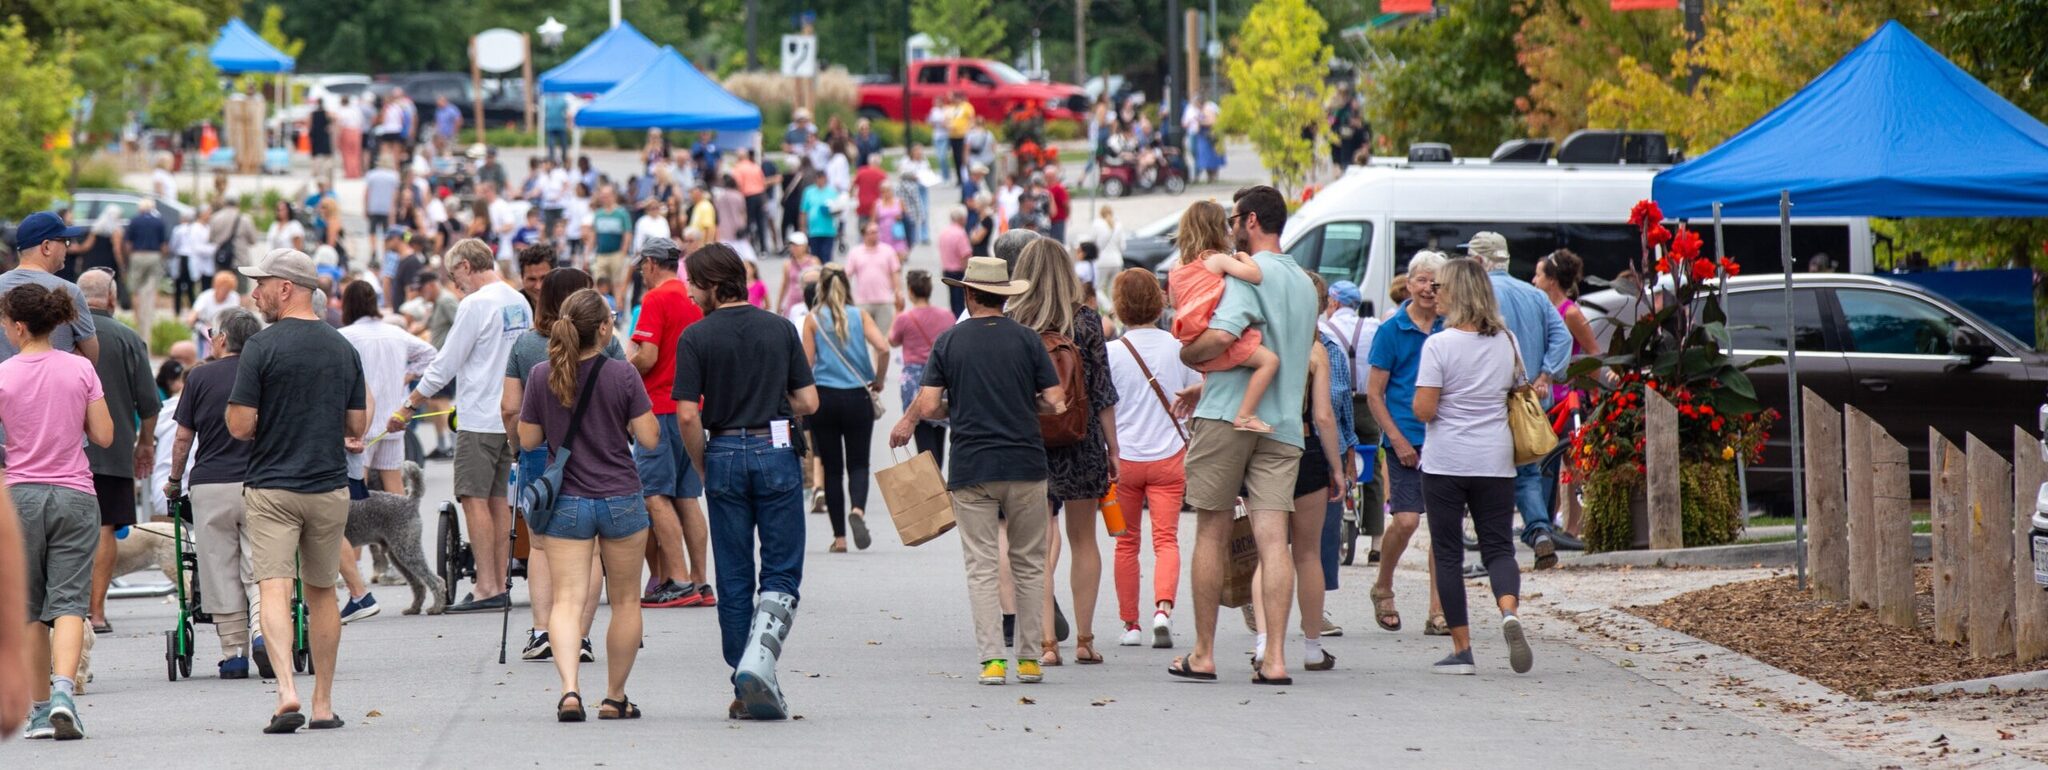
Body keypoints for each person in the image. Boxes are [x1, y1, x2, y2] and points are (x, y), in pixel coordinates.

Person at [1167, 185, 1317, 685]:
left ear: (1250, 221)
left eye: (1234, 218)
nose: (1230, 226)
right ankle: (1274, 657)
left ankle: (1204, 652)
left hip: (1230, 415)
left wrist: (1188, 355)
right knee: (1275, 542)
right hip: (1284, 424)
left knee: (1210, 529)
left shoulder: (1246, 272)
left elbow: (1223, 337)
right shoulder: (1302, 283)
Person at [889, 255, 1060, 685]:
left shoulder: (950, 341)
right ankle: (1029, 659)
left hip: (972, 466)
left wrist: (957, 406)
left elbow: (928, 406)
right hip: (1026, 463)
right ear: (1003, 296)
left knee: (982, 565)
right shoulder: (1026, 340)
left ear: (967, 293)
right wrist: (1029, 404)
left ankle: (992, 662)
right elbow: (1055, 399)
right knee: (1029, 562)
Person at [672, 243, 820, 720]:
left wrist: (702, 463)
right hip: (775, 448)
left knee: (734, 576)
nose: (691, 293)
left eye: (694, 283)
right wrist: (773, 402)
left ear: (714, 284)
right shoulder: (779, 328)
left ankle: (743, 676)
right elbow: (809, 401)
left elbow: (688, 415)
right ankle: (761, 666)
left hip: (724, 452)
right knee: (781, 570)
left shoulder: (696, 337)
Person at [228, 249, 369, 732]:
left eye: (261, 283)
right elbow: (356, 423)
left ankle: (286, 690)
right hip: (328, 485)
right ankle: (324, 702)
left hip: (272, 486)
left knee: (273, 586)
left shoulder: (260, 348)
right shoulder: (342, 348)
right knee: (323, 592)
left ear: (286, 288)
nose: (255, 293)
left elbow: (240, 424)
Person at [516, 287, 659, 720]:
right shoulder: (622, 374)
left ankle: (569, 690)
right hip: (620, 498)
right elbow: (650, 438)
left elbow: (528, 440)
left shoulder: (542, 374)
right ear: (602, 328)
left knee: (566, 601)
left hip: (567, 503)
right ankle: (615, 696)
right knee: (625, 601)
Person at [388, 239, 533, 614]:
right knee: (500, 499)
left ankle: (486, 585)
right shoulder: (517, 301)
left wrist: (409, 404)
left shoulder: (476, 304)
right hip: (511, 412)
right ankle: (499, 579)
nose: (457, 286)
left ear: (467, 266)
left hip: (481, 414)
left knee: (473, 498)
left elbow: (445, 363)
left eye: (456, 277)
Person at [1, 282, 115, 741]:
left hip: (21, 497)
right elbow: (104, 435)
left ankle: (40, 709)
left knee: (28, 608)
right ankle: (66, 693)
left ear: (21, 326)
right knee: (69, 602)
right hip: (75, 493)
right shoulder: (80, 369)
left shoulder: (4, 375)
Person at [1414, 257, 1533, 676]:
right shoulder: (1507, 341)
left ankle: (1462, 649)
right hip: (1494, 459)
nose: (1434, 293)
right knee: (1499, 546)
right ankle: (1508, 612)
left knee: (1448, 553)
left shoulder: (1439, 345)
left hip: (1447, 460)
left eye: (1441, 287)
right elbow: (1518, 390)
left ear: (1459, 293)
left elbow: (1425, 410)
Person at [1007, 239, 1118, 667]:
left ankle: (1047, 643)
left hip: (1030, 439)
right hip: (1081, 438)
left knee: (1038, 541)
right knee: (1083, 538)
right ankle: (1085, 640)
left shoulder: (1016, 324)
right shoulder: (1088, 322)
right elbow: (1103, 391)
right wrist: (1113, 448)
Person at [502, 269, 624, 661]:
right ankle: (581, 636)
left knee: (539, 545)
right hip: (599, 454)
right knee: (589, 550)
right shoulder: (609, 345)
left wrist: (516, 447)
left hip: (541, 454)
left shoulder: (526, 346)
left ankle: (542, 631)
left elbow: (509, 407)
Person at [1245, 272, 1353, 668]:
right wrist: (1337, 466)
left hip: (1265, 445)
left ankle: (1263, 642)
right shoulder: (1315, 351)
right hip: (1305, 447)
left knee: (1267, 551)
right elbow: (1324, 416)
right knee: (1307, 553)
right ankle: (1310, 647)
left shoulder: (1259, 343)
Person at [166, 306, 264, 679]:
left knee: (218, 569)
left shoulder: (199, 377)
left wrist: (174, 480)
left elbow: (182, 438)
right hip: (260, 482)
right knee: (260, 565)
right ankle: (261, 631)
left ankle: (234, 652)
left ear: (221, 339)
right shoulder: (265, 372)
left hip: (210, 485)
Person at [1467, 232, 1576, 560]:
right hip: (1530, 401)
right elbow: (1563, 338)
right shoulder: (1535, 295)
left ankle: (1493, 540)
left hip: (1489, 400)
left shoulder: (1479, 297)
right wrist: (1545, 374)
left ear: (1478, 262)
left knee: (1487, 472)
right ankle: (1540, 529)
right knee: (1528, 472)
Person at [1104, 267, 1198, 648]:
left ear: (1119, 306)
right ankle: (1163, 609)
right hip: (1170, 456)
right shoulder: (1179, 348)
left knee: (1126, 543)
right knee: (1167, 540)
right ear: (1160, 302)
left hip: (1122, 458)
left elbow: (1103, 405)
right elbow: (1196, 393)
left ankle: (1131, 625)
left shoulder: (1110, 353)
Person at [1365, 251, 1450, 633]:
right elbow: (1374, 394)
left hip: (1446, 438)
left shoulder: (1451, 327)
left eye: (1436, 282)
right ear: (1409, 283)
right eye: (1422, 281)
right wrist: (1396, 439)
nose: (1429, 289)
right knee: (1406, 520)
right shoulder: (1391, 330)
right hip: (1406, 439)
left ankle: (1438, 611)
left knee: (1443, 528)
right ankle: (1383, 584)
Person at [627, 239, 714, 607]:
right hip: (690, 407)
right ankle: (700, 580)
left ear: (650, 264)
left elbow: (647, 356)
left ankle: (677, 580)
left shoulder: (655, 299)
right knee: (687, 495)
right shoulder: (693, 298)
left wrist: (621, 370)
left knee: (653, 493)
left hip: (659, 407)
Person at [75, 271, 160, 635]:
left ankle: (65, 613)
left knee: (67, 530)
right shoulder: (128, 338)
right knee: (106, 526)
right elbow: (150, 402)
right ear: (111, 300)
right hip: (114, 450)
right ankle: (96, 612)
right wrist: (145, 443)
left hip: (64, 451)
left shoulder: (63, 335)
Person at [1168, 201, 1281, 434]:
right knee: (1270, 361)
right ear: (1216, 230)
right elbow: (1255, 275)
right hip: (1213, 330)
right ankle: (1246, 414)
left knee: (1214, 371)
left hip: (1190, 336)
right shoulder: (1215, 259)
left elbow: (1173, 301)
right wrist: (1242, 256)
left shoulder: (1176, 267)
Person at [801, 265, 891, 553]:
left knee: (832, 469)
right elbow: (884, 348)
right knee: (859, 463)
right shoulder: (859, 315)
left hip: (824, 399)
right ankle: (858, 511)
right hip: (857, 398)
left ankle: (839, 539)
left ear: (821, 290)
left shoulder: (813, 320)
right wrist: (877, 380)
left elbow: (806, 366)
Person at [1533, 249, 1603, 539]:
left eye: (1538, 274)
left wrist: (1589, 389)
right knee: (1547, 461)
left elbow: (1593, 351)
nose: (1533, 280)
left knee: (1573, 463)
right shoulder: (1542, 308)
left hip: (1569, 397)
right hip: (1547, 396)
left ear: (1551, 280)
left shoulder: (1570, 312)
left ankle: (1575, 526)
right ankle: (1548, 520)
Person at [1, 212, 100, 365]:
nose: (68, 247)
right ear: (46, 246)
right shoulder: (68, 292)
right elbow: (91, 357)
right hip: (54, 386)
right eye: (65, 241)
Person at [888, 270, 952, 465]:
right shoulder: (947, 316)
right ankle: (937, 476)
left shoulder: (905, 318)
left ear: (910, 291)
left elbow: (892, 340)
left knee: (923, 440)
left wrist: (898, 311)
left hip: (915, 380)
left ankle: (933, 486)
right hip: (941, 380)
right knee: (939, 435)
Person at [845, 221, 902, 334]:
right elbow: (847, 275)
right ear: (864, 235)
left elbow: (895, 272)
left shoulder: (888, 251)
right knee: (861, 334)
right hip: (862, 301)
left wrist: (898, 292)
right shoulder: (855, 252)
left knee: (883, 336)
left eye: (876, 232)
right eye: (871, 232)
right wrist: (846, 296)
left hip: (884, 300)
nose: (874, 235)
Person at [122, 199, 169, 334]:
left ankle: (138, 318)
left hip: (138, 254)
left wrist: (129, 258)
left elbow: (128, 243)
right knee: (151, 288)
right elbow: (164, 245)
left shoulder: (135, 220)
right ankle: (148, 316)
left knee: (135, 289)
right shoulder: (159, 221)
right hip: (154, 255)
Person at [799, 170, 840, 261]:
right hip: (814, 230)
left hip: (828, 230)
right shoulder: (809, 192)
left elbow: (838, 209)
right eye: (819, 179)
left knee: (826, 255)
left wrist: (832, 211)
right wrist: (803, 228)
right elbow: (803, 211)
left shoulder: (832, 192)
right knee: (815, 257)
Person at [778, 234, 822, 316]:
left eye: (797, 245)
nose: (794, 248)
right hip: (792, 301)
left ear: (805, 246)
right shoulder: (788, 264)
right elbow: (784, 285)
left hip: (809, 300)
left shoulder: (814, 261)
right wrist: (779, 304)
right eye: (792, 245)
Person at [1044, 167, 1071, 245]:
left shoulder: (1059, 188)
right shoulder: (1047, 188)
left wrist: (1066, 216)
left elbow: (1066, 204)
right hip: (1048, 222)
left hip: (1058, 220)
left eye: (1050, 176)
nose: (1047, 178)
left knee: (1058, 243)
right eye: (1047, 176)